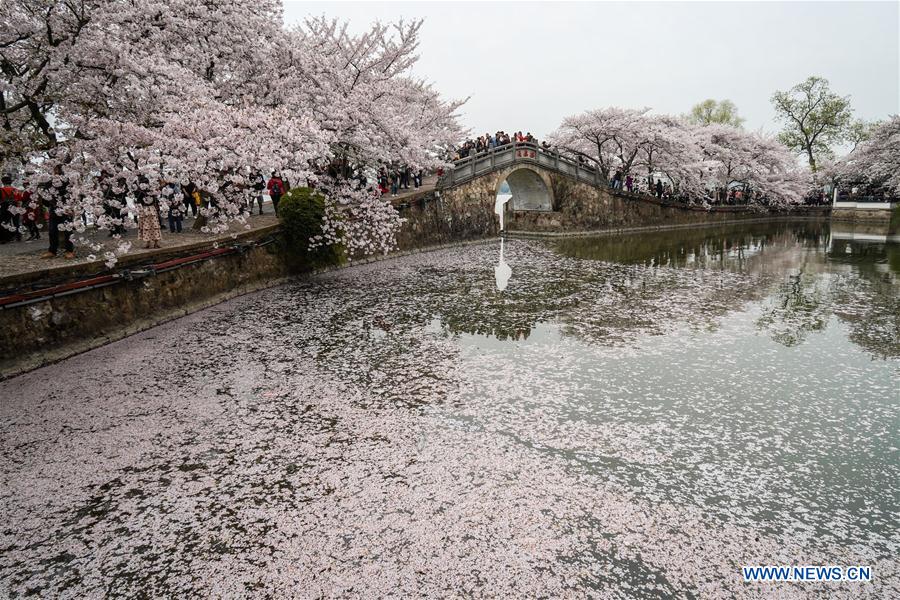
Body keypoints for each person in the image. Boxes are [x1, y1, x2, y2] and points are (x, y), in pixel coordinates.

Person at [40, 165, 76, 259]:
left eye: (57, 169)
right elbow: (45, 195)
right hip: (54, 208)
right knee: (52, 230)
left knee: (68, 230)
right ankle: (52, 250)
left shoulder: (67, 181)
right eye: (54, 169)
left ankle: (69, 250)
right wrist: (50, 204)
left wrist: (72, 207)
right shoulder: (49, 182)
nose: (55, 171)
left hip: (66, 208)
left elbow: (73, 194)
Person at [136, 175, 161, 249]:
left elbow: (138, 201)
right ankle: (152, 243)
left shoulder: (147, 191)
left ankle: (150, 243)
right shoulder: (143, 191)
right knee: (153, 225)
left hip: (146, 209)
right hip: (150, 209)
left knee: (148, 226)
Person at [0, 175, 20, 243]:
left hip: (5, 207)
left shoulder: (1, 190)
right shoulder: (15, 189)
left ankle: (5, 238)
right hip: (15, 206)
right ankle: (18, 236)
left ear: (3, 182)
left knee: (4, 222)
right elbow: (19, 198)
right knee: (16, 222)